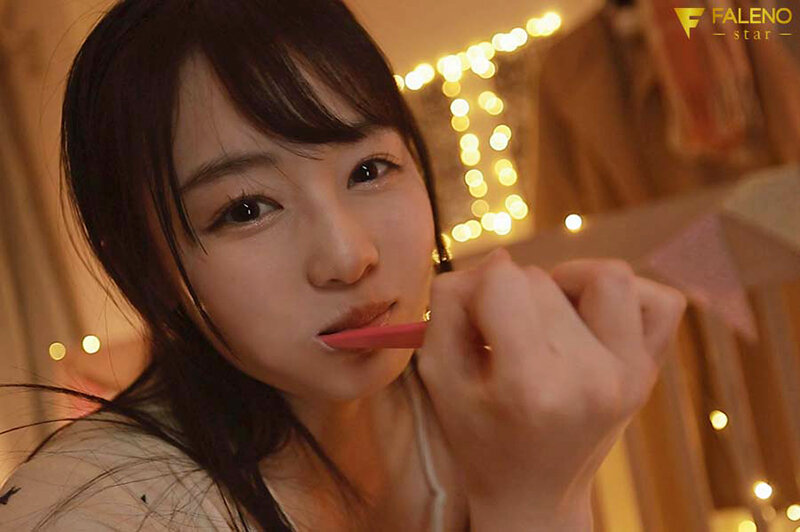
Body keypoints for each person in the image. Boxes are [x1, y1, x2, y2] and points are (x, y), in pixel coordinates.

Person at [0, 0, 687, 530]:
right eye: (246, 209)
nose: (349, 257)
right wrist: (536, 498)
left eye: (369, 169)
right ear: (150, 266)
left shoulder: (482, 398)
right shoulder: (96, 510)